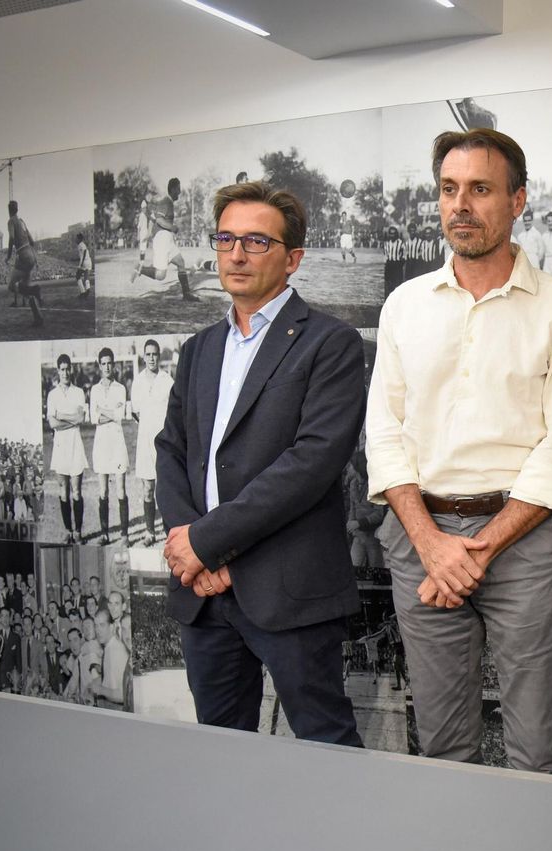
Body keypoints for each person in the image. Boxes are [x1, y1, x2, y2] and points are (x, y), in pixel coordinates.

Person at [365, 128, 552, 773]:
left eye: (481, 189)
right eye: (449, 189)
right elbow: (384, 433)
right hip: (419, 542)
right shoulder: (404, 306)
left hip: (523, 544)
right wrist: (433, 546)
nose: (461, 204)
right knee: (442, 748)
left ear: (518, 200)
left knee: (538, 752)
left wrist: (482, 546)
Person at [155, 180, 366, 747]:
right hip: (202, 594)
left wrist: (205, 542)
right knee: (221, 759)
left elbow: (311, 464)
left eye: (255, 241)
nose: (236, 254)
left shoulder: (331, 343)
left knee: (329, 753)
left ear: (293, 258)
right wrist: (189, 549)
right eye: (226, 239)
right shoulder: (199, 348)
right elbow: (171, 450)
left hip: (288, 590)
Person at [131, 339, 173, 543]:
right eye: (148, 354)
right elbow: (136, 412)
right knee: (147, 488)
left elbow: (174, 412)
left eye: (154, 354)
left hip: (164, 444)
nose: (151, 358)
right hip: (144, 443)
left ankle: (169, 532)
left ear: (159, 356)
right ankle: (149, 531)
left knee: (165, 489)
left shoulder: (167, 380)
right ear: (143, 356)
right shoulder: (138, 381)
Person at [132, 177, 200, 300]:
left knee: (181, 262)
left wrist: (151, 230)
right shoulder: (166, 202)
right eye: (178, 189)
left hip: (166, 238)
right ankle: (140, 269)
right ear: (173, 189)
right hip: (162, 239)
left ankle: (186, 294)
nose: (179, 191)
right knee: (160, 275)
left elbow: (154, 218)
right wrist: (172, 227)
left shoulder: (167, 202)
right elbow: (159, 220)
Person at [46, 354, 89, 543]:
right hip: (60, 446)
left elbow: (80, 419)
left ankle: (78, 531)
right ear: (58, 370)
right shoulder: (52, 394)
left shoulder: (79, 392)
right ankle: (68, 531)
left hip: (75, 444)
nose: (65, 372)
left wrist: (62, 416)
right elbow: (52, 423)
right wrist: (69, 419)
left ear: (71, 369)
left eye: (67, 368)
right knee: (63, 491)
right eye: (61, 369)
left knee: (76, 491)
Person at [89, 347, 130, 544]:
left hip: (117, 443)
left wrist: (103, 412)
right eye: (103, 363)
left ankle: (124, 535)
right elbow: (93, 417)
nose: (106, 367)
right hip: (101, 445)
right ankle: (105, 533)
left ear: (113, 365)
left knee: (120, 490)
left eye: (109, 363)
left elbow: (119, 416)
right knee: (103, 491)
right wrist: (109, 413)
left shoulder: (120, 388)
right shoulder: (94, 390)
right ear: (99, 366)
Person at [5, 200, 43, 324]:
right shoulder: (22, 221)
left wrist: (9, 255)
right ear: (17, 209)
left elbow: (11, 237)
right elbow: (32, 241)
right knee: (26, 288)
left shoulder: (11, 221)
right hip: (30, 255)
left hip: (23, 256)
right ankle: (38, 318)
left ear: (9, 210)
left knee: (12, 286)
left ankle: (34, 290)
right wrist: (35, 259)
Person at [75, 232, 94, 299]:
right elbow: (83, 254)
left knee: (77, 276)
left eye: (76, 238)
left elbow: (84, 252)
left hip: (84, 262)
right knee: (86, 277)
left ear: (79, 239)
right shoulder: (82, 244)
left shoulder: (80, 244)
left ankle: (83, 292)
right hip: (89, 261)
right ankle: (88, 289)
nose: (75, 240)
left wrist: (81, 264)